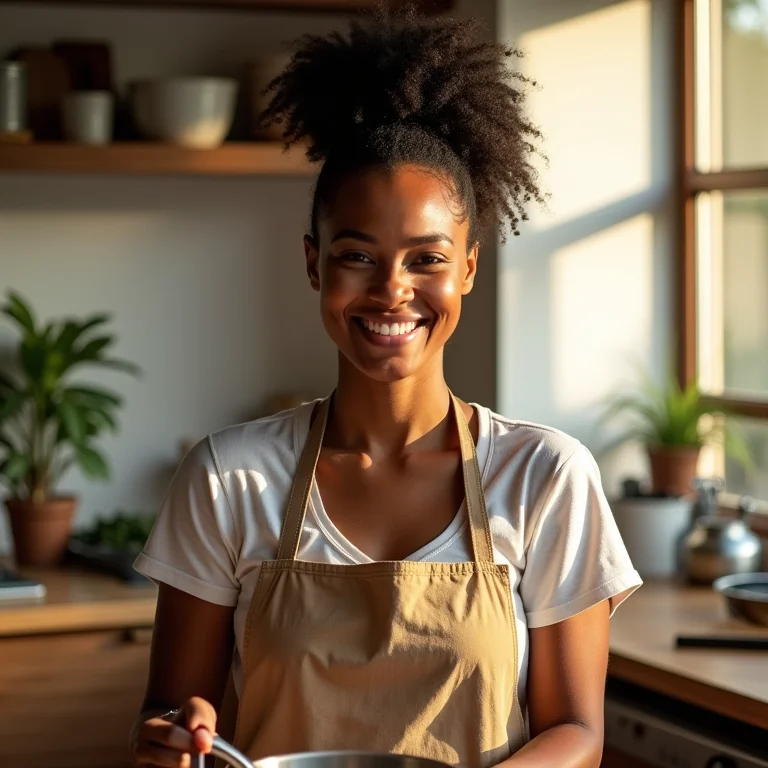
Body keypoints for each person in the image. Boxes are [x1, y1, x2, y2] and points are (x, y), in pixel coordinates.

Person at [129, 8, 642, 768]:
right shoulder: (227, 478)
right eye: (358, 256)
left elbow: (578, 734)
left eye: (426, 259)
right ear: (314, 264)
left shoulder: (545, 478)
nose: (392, 292)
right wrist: (176, 736)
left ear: (469, 266)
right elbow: (168, 713)